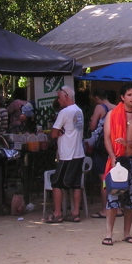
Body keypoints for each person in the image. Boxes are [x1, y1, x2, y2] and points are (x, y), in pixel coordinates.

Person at [102, 82, 132, 245]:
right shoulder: (112, 114)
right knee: (113, 197)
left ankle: (127, 233)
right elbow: (106, 137)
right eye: (129, 95)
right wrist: (112, 156)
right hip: (117, 160)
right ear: (122, 97)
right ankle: (109, 233)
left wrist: (128, 143)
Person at [45, 86, 86, 223]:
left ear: (66, 96)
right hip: (78, 153)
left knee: (57, 183)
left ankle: (57, 213)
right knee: (75, 184)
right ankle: (75, 213)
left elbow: (54, 133)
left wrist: (59, 132)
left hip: (67, 154)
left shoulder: (64, 112)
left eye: (59, 97)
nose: (58, 100)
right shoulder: (79, 111)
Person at [87, 88, 115, 218]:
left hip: (102, 146)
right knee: (114, 177)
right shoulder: (116, 108)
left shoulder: (100, 107)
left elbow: (93, 127)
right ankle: (117, 208)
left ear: (97, 98)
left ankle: (105, 209)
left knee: (103, 178)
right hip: (114, 145)